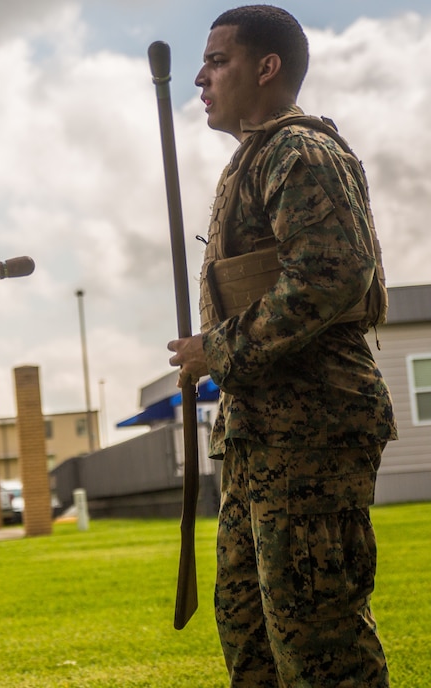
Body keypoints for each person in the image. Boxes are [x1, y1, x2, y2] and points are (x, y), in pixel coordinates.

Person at [166, 6, 394, 687]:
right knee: (252, 635)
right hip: (259, 442)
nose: (200, 78)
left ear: (267, 68)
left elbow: (331, 271)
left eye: (217, 61)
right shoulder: (253, 161)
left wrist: (220, 351)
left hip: (311, 437)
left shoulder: (300, 152)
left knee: (319, 647)